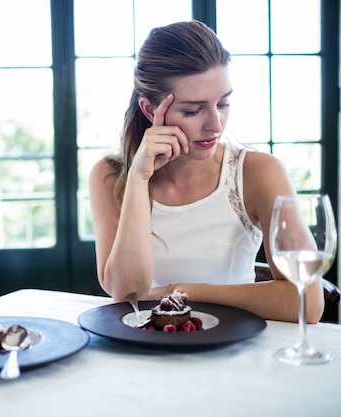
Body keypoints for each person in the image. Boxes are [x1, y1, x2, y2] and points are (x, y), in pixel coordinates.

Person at [89, 20, 325, 325]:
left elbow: (308, 301)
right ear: (150, 111)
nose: (215, 124)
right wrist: (138, 179)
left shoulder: (259, 172)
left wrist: (182, 292)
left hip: (239, 355)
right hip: (149, 354)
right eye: (192, 110)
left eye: (223, 103)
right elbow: (128, 296)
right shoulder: (110, 176)